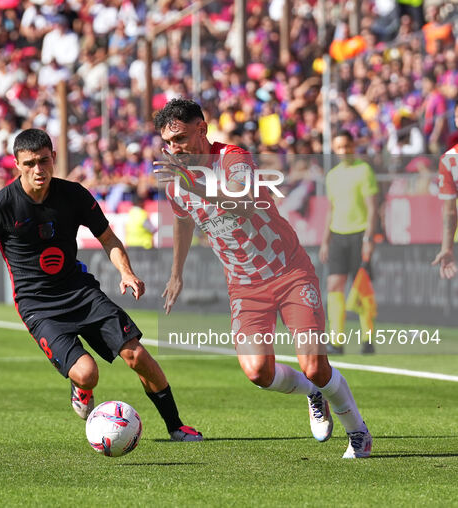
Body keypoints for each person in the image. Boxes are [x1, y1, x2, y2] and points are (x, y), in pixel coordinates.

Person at [0, 128, 202, 442]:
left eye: (44, 161)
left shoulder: (73, 195)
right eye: (30, 163)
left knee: (137, 355)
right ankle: (81, 387)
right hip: (39, 307)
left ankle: (176, 426)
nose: (38, 170)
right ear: (16, 164)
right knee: (88, 373)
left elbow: (108, 238)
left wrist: (125, 272)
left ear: (54, 158)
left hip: (81, 292)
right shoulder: (1, 206)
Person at [154, 99, 371, 458]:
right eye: (169, 143)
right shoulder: (178, 184)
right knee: (257, 372)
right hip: (244, 285)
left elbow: (242, 201)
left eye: (180, 138)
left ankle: (358, 433)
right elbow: (183, 220)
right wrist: (176, 273)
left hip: (289, 272)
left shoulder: (233, 159)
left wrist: (196, 186)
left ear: (202, 129)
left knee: (315, 364)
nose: (175, 149)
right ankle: (313, 394)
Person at [319, 131, 379, 355]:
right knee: (334, 286)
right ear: (334, 149)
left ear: (353, 146)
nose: (343, 151)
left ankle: (368, 339)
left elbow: (372, 208)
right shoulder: (332, 175)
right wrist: (325, 241)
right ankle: (336, 341)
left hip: (359, 234)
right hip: (337, 235)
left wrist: (368, 238)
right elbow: (330, 210)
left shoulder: (364, 170)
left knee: (361, 288)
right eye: (339, 147)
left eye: (347, 146)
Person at [432, 104, 458, 280]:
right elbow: (449, 210)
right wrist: (447, 248)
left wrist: (447, 248)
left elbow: (450, 211)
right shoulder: (449, 160)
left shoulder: (449, 159)